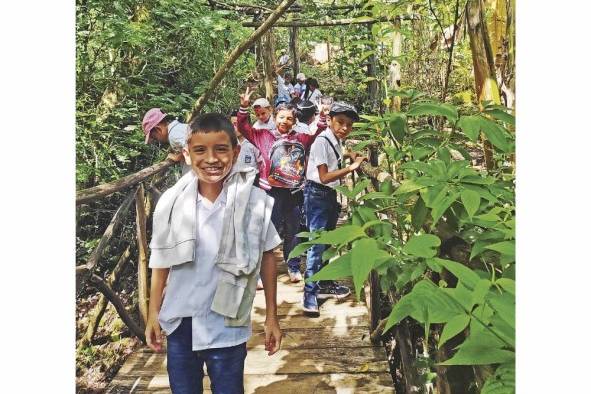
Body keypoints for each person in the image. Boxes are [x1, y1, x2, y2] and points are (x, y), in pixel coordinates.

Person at [145, 113, 282, 393]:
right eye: (200, 150)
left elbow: (268, 255)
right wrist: (152, 313)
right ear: (186, 154)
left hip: (227, 321)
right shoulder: (171, 204)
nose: (211, 159)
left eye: (221, 149)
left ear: (236, 151)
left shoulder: (252, 203)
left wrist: (271, 316)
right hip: (181, 322)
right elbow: (160, 260)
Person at [237, 87, 329, 283]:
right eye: (281, 117)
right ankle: (260, 271)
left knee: (293, 229)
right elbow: (243, 128)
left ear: (294, 121)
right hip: (270, 191)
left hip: (294, 191)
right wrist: (243, 107)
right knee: (266, 230)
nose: (284, 122)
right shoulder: (263, 136)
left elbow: (316, 133)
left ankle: (293, 265)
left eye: (289, 118)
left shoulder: (300, 138)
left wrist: (322, 116)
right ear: (275, 117)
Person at [302, 102, 366, 315]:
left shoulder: (336, 140)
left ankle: (325, 284)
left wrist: (350, 156)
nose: (344, 127)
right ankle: (309, 293)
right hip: (318, 194)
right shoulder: (321, 141)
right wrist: (351, 168)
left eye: (349, 124)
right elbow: (324, 176)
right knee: (317, 244)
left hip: (328, 195)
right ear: (329, 120)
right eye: (340, 122)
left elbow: (336, 157)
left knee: (328, 242)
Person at [142, 108, 191, 174]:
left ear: (158, 129)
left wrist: (177, 157)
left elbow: (195, 145)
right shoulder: (179, 128)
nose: (157, 140)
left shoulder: (173, 135)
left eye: (155, 137)